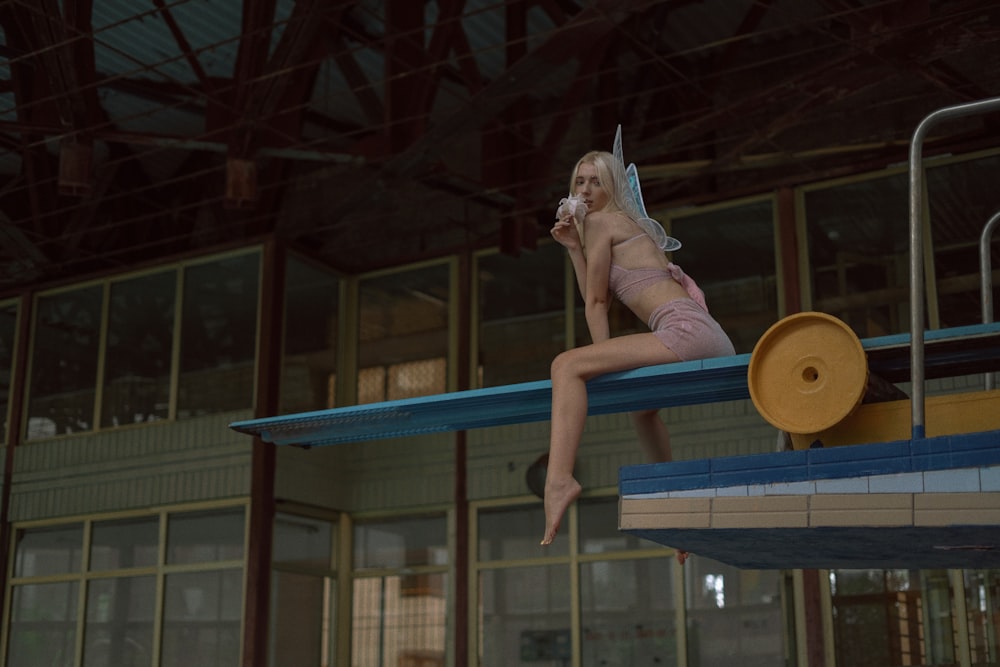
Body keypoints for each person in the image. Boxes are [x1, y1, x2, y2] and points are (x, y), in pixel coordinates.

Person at [541, 127, 735, 546]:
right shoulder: (615, 225)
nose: (587, 190)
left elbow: (595, 304)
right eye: (580, 181)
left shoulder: (603, 222)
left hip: (687, 329)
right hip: (706, 332)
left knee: (565, 365)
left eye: (597, 181)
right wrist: (575, 249)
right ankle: (672, 498)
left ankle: (557, 480)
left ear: (611, 187)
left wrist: (596, 362)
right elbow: (599, 292)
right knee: (643, 410)